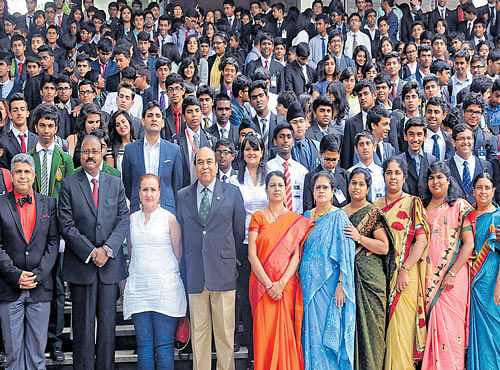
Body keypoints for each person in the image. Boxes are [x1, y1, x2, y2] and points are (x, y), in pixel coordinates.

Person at [58, 134, 130, 370]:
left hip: (109, 268)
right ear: (79, 154)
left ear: (102, 153)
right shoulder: (69, 184)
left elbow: (123, 220)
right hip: (82, 266)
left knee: (108, 331)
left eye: (95, 151)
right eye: (86, 151)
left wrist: (107, 250)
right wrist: (91, 252)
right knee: (83, 330)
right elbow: (66, 224)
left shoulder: (115, 183)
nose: (90, 156)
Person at [176, 147, 245, 370]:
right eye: (200, 162)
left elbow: (238, 231)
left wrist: (226, 256)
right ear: (194, 167)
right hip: (195, 271)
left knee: (225, 334)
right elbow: (183, 231)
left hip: (223, 272)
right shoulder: (183, 195)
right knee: (199, 335)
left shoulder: (232, 192)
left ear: (216, 166)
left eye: (209, 162)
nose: (205, 166)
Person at [248, 170, 312, 370]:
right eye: (272, 185)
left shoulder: (295, 220)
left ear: (286, 190)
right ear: (266, 190)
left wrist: (281, 284)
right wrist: (269, 285)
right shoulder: (257, 217)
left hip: (286, 287)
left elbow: (296, 256)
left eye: (280, 185)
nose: (276, 189)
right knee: (264, 336)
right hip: (262, 287)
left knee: (287, 336)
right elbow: (252, 255)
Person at [0, 154, 59, 370]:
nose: (22, 176)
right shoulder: (0, 204)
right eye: (18, 172)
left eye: (27, 172)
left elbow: (53, 243)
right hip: (9, 288)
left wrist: (38, 275)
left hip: (40, 288)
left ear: (34, 176)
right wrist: (16, 275)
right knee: (13, 356)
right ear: (12, 176)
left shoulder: (49, 204)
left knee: (37, 355)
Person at [123, 174, 186, 369]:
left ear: (159, 193)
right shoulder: (132, 219)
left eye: (153, 190)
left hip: (164, 290)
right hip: (139, 289)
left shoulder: (169, 219)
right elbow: (132, 252)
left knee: (164, 346)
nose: (149, 194)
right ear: (139, 193)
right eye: (145, 189)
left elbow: (178, 253)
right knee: (144, 346)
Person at [28, 104, 75, 362]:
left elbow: (66, 196)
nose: (46, 131)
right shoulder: (28, 156)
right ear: (36, 127)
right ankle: (36, 338)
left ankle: (55, 341)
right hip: (31, 229)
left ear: (57, 129)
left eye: (51, 126)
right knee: (36, 282)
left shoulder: (65, 158)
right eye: (42, 126)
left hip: (56, 228)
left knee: (56, 285)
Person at [375, 157, 429, 368]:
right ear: (384, 176)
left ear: (404, 177)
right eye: (389, 172)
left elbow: (421, 240)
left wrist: (405, 269)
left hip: (406, 276)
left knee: (401, 332)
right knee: (385, 334)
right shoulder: (376, 207)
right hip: (382, 278)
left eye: (397, 173)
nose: (393, 177)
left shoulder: (412, 203)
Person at [421, 161, 475, 370]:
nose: (435, 181)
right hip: (429, 279)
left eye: (440, 177)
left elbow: (468, 244)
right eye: (431, 177)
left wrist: (451, 273)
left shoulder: (459, 206)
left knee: (452, 335)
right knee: (433, 335)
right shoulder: (423, 209)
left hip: (453, 277)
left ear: (448, 180)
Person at [300, 170, 355, 369]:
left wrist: (342, 284)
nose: (321, 191)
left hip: (330, 287)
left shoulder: (339, 217)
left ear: (333, 192)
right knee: (311, 335)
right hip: (307, 288)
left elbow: (346, 254)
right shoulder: (306, 218)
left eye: (325, 187)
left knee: (327, 335)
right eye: (318, 187)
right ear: (312, 192)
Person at [343, 167, 394, 369]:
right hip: (348, 280)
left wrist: (359, 238)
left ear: (368, 188)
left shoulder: (372, 213)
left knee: (372, 333)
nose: (356, 187)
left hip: (371, 281)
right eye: (353, 183)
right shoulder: (340, 212)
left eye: (361, 184)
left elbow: (384, 247)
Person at [229, 132, 268, 360]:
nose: (251, 153)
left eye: (255, 148)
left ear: (262, 152)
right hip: (242, 244)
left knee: (261, 297)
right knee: (244, 297)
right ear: (242, 153)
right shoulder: (235, 181)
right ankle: (250, 349)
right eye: (247, 149)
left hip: (265, 246)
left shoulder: (269, 177)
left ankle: (260, 349)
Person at [122, 101, 183, 214]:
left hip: (166, 209)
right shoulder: (130, 150)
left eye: (158, 116)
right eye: (150, 115)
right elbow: (127, 183)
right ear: (143, 121)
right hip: (139, 209)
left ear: (163, 122)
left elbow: (177, 185)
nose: (154, 119)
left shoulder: (174, 150)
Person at [468, 172, 500, 369]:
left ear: (493, 191)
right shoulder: (468, 214)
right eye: (479, 187)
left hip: (491, 283)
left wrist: (498, 284)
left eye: (487, 188)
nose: (483, 192)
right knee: (475, 335)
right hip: (471, 284)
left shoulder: (498, 217)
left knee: (493, 334)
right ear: (473, 191)